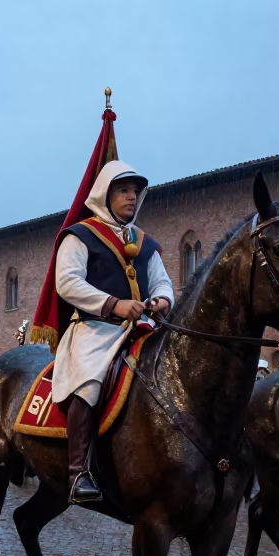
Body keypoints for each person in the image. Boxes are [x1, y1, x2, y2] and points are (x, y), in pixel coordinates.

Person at [45, 161, 174, 503]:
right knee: (89, 383)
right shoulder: (80, 235)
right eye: (124, 190)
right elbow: (67, 282)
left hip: (141, 328)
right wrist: (112, 304)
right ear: (105, 194)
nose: (132, 197)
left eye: (135, 191)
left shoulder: (145, 243)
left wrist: (162, 299)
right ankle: (79, 473)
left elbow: (162, 280)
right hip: (95, 329)